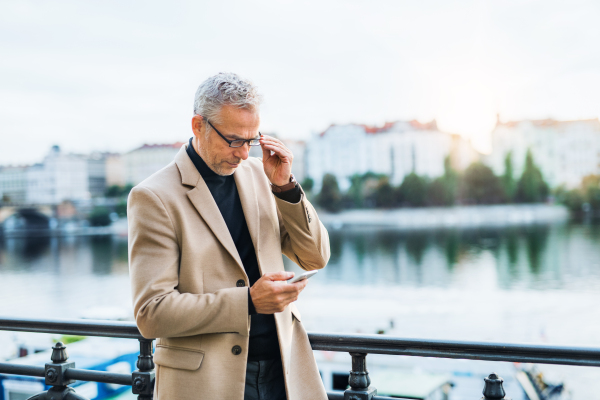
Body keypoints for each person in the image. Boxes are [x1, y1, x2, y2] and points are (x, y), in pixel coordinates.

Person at [127, 72, 330, 400]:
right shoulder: (153, 197)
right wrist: (249, 302)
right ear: (198, 126)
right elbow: (152, 313)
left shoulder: (262, 174)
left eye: (251, 140)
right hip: (209, 382)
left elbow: (315, 257)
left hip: (286, 370)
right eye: (234, 140)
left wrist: (285, 187)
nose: (242, 152)